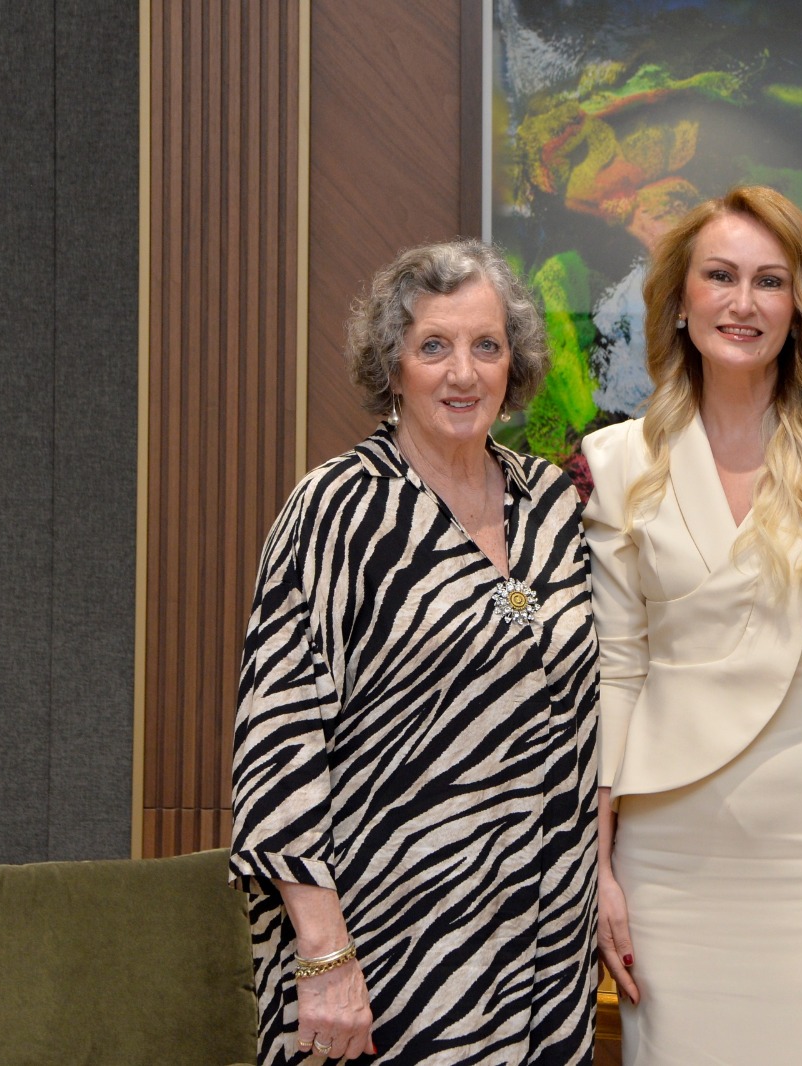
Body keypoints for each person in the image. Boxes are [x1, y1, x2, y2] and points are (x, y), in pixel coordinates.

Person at [230, 240, 599, 1065]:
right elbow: (277, 743)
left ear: (513, 365)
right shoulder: (337, 509)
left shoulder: (551, 504)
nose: (463, 373)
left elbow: (590, 718)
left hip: (545, 949)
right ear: (392, 367)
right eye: (434, 346)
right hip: (390, 947)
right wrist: (324, 956)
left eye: (486, 346)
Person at [582, 186, 802, 1065]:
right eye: (721, 277)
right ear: (681, 299)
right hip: (668, 860)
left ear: (799, 305)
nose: (743, 302)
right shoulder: (618, 464)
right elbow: (615, 670)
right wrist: (600, 867)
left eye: (770, 281)